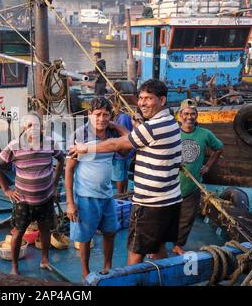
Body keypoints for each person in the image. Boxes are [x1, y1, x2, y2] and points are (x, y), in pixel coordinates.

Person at [69, 79, 183, 265]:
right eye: (140, 98)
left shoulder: (152, 127)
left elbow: (119, 145)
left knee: (135, 251)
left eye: (148, 98)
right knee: (158, 247)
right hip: (171, 200)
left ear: (162, 100)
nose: (141, 103)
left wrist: (85, 148)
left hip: (151, 203)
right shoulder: (171, 121)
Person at [0, 112, 65, 275]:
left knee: (45, 229)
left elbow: (61, 159)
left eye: (36, 126)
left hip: (45, 198)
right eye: (29, 126)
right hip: (23, 201)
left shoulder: (49, 144)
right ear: (24, 128)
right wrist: (6, 190)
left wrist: (54, 185)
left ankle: (45, 260)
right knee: (18, 232)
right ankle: (15, 267)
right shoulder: (14, 145)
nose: (33, 129)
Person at [65, 96, 124, 281]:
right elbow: (69, 169)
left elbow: (129, 145)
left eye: (106, 115)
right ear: (89, 115)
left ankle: (108, 266)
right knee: (84, 237)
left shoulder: (113, 134)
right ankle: (85, 271)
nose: (101, 119)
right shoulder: (80, 134)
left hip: (107, 195)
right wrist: (70, 203)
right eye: (97, 114)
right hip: (85, 196)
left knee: (110, 232)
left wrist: (116, 126)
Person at [173, 99, 224, 255]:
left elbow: (219, 148)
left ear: (197, 116)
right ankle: (157, 245)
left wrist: (208, 166)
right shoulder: (172, 132)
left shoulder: (205, 134)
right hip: (170, 185)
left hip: (192, 186)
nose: (189, 117)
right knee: (165, 217)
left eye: (193, 114)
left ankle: (178, 245)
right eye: (186, 113)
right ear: (180, 115)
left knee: (187, 218)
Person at [111, 107, 134, 194]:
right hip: (128, 152)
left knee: (119, 176)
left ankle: (120, 195)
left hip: (120, 153)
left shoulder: (122, 117)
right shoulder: (126, 115)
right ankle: (124, 194)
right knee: (124, 174)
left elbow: (123, 135)